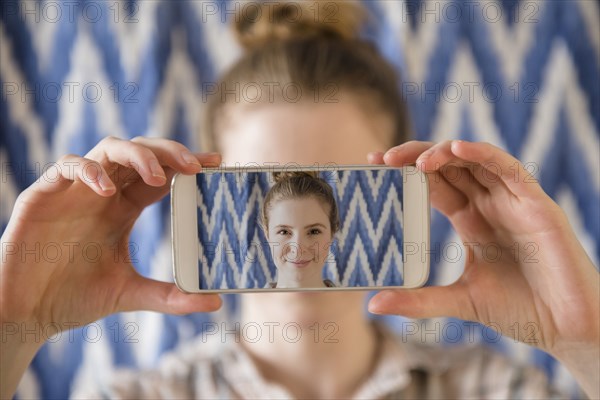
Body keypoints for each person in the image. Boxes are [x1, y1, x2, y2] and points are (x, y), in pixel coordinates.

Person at [1, 1, 598, 399]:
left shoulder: (497, 390)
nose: (298, 240)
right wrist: (13, 329)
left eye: (336, 184)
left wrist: (585, 340)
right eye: (262, 183)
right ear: (217, 200)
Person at [261, 171, 339, 289]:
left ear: (332, 233)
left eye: (314, 231)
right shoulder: (241, 306)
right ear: (267, 234)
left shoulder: (361, 305)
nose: (297, 250)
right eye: (284, 232)